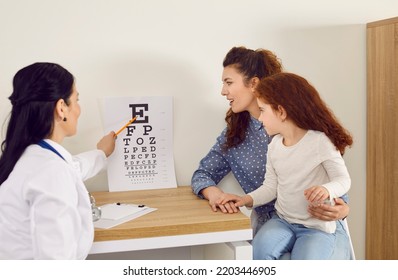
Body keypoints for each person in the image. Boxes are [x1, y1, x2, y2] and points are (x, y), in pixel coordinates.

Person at [191, 46, 351, 259]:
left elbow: (336, 183)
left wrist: (342, 209)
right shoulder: (234, 134)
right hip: (274, 224)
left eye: (229, 82)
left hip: (317, 225)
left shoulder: (308, 133)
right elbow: (203, 175)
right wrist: (217, 196)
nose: (223, 91)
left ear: (254, 83)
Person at [0, 62, 116, 259]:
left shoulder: (28, 157)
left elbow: (73, 168)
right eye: (76, 100)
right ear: (61, 108)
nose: (79, 109)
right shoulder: (51, 171)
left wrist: (101, 153)